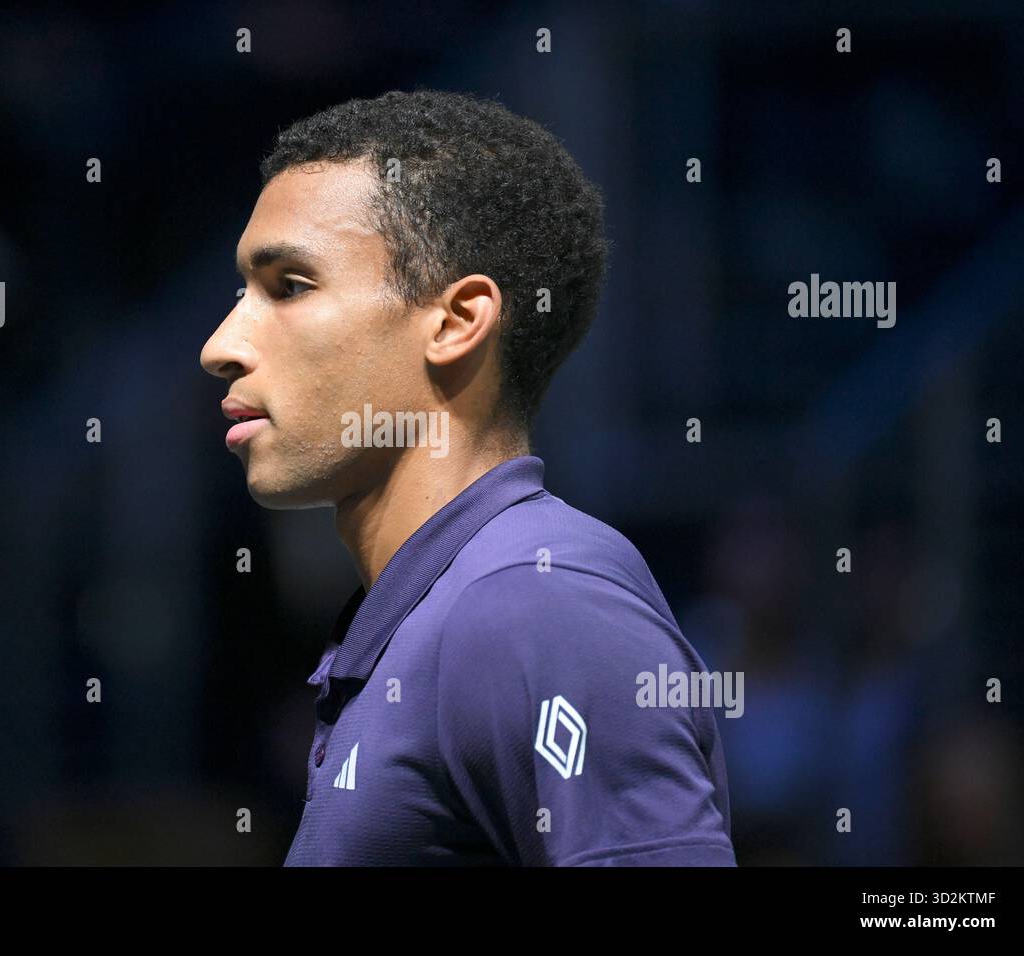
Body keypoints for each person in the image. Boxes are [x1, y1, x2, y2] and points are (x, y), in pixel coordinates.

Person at [200, 89, 735, 865]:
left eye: (290, 286)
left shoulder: (536, 603)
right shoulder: (444, 610)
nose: (222, 344)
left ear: (455, 322)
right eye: (241, 292)